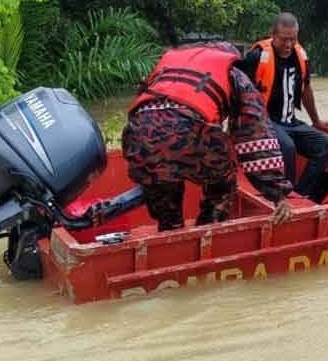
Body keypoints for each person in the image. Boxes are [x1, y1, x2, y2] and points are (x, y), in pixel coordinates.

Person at [123, 40, 293, 231]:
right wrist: (277, 193)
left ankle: (170, 231)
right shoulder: (232, 72)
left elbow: (141, 109)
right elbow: (255, 134)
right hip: (190, 130)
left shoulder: (165, 67)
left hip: (138, 136)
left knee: (163, 181)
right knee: (223, 182)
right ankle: (208, 229)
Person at [238, 13, 328, 202]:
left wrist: (316, 121)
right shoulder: (257, 57)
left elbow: (306, 89)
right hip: (266, 122)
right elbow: (237, 90)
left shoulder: (301, 56)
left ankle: (301, 192)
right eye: (284, 39)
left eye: (293, 39)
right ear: (272, 34)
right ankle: (285, 197)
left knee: (326, 144)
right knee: (287, 146)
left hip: (292, 122)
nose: (289, 45)